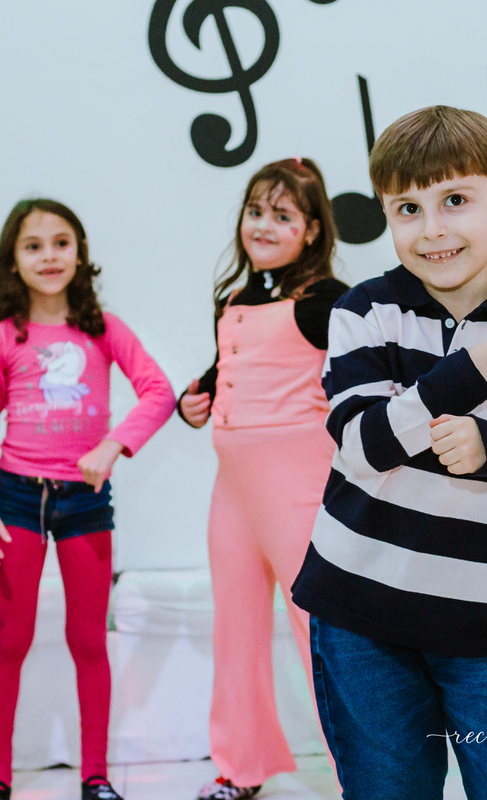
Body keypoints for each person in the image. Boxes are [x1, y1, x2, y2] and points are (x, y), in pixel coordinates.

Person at [292, 106, 487, 799]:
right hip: (360, 612)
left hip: (485, 620)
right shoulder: (364, 312)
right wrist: (452, 383)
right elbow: (359, 442)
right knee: (388, 786)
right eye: (408, 208)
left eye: (455, 201)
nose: (432, 229)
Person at [0, 198, 176, 800]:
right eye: (34, 246)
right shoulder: (2, 338)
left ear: (80, 253)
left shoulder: (102, 329)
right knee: (11, 638)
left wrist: (113, 447)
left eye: (61, 243)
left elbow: (158, 392)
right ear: (14, 259)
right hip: (15, 501)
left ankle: (96, 776)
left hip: (85, 502)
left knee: (88, 640)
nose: (49, 256)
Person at [178, 158, 348, 800]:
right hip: (233, 495)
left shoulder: (326, 301)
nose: (264, 225)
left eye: (282, 215)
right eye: (256, 212)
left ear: (311, 230)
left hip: (296, 491)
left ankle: (362, 769)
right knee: (237, 628)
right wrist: (192, 399)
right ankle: (240, 766)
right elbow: (227, 370)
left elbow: (367, 371)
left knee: (321, 632)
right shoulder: (237, 300)